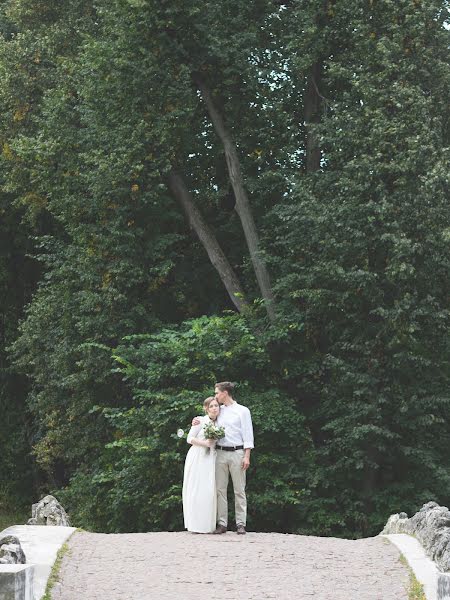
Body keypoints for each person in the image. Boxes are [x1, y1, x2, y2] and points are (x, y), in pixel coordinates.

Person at [192, 381, 254, 535]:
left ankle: (240, 524)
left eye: (217, 393)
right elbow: (208, 418)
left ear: (225, 393)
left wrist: (247, 456)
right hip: (219, 453)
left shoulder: (243, 411)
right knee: (220, 490)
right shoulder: (219, 410)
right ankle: (222, 523)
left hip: (237, 453)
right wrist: (196, 420)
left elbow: (248, 434)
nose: (215, 396)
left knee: (239, 489)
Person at [182, 396, 219, 533]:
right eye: (211, 406)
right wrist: (205, 444)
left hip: (210, 458)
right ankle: (195, 524)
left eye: (216, 406)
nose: (214, 408)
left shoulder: (219, 423)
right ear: (206, 408)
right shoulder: (200, 420)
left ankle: (207, 525)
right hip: (198, 455)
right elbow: (189, 438)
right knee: (196, 488)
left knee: (209, 490)